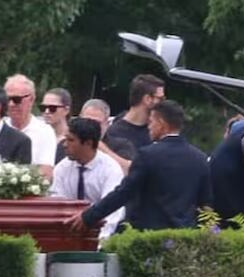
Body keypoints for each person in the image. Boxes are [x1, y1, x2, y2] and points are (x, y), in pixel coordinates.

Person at [70, 100, 211, 233]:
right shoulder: (200, 158)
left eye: (151, 122)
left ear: (161, 123)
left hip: (149, 237)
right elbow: (206, 204)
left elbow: (124, 193)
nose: (149, 127)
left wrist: (88, 216)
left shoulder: (148, 155)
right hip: (185, 239)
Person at [50, 117, 125, 242]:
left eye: (71, 140)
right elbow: (57, 205)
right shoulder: (62, 168)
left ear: (88, 143)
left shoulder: (110, 169)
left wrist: (99, 241)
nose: (64, 145)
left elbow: (112, 211)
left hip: (103, 235)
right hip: (68, 234)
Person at [4, 74, 58, 180]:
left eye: (16, 99)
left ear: (31, 100)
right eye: (7, 99)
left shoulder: (44, 132)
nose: (11, 104)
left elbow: (45, 173)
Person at [106, 73, 165, 155]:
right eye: (160, 99)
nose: (163, 103)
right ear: (147, 99)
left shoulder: (157, 130)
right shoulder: (115, 133)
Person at [78, 98, 136, 173]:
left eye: (96, 123)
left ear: (107, 124)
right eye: (85, 121)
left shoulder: (122, 145)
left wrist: (102, 149)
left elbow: (129, 171)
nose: (90, 126)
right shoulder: (68, 144)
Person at [40, 87, 72, 164]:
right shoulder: (38, 135)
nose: (47, 112)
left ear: (66, 110)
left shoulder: (73, 138)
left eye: (52, 108)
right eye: (43, 108)